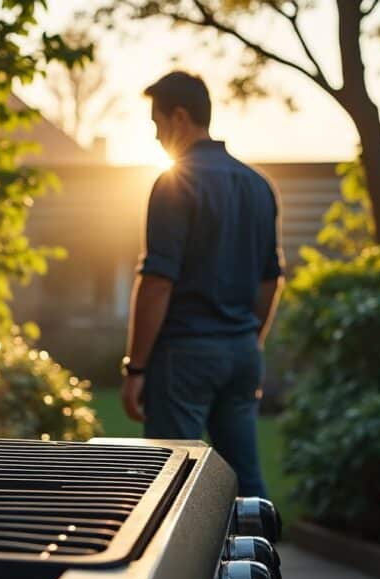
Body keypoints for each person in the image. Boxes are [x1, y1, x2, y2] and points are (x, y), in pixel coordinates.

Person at [120, 71, 284, 498]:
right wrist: (250, 340)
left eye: (157, 125)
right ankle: (262, 562)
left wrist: (135, 369)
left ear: (178, 117)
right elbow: (271, 279)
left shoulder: (175, 182)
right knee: (245, 480)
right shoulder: (259, 186)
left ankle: (174, 568)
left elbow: (157, 282)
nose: (157, 139)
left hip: (185, 356)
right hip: (242, 352)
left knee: (169, 483)